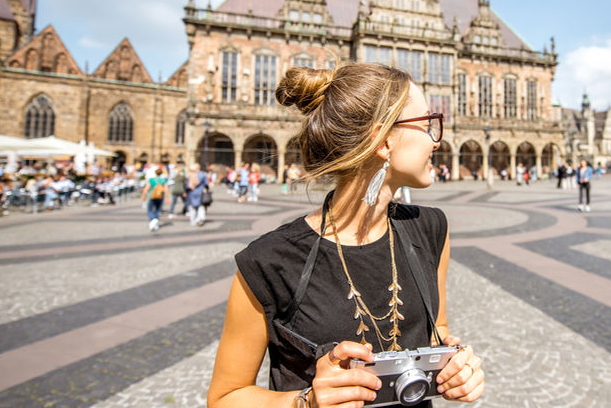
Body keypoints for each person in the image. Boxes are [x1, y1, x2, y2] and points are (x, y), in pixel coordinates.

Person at [207, 63, 484, 408]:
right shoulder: (270, 261)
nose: (436, 139)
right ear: (384, 141)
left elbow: (435, 329)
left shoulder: (430, 229)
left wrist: (455, 363)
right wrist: (305, 402)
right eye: (427, 124)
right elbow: (224, 398)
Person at [141, 167, 169, 232]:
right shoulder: (163, 180)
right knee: (157, 210)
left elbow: (146, 189)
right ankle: (155, 222)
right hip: (160, 197)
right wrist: (168, 198)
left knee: (150, 210)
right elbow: (166, 190)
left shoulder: (151, 180)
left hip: (151, 197)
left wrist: (143, 196)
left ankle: (152, 220)